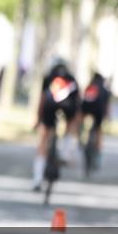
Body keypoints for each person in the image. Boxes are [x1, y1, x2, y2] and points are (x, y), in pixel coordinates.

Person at [32, 57, 81, 191]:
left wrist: (37, 119)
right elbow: (77, 102)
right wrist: (76, 124)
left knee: (43, 140)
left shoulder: (48, 77)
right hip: (68, 106)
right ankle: (65, 151)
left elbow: (42, 99)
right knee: (71, 123)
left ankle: (37, 179)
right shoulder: (71, 78)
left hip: (49, 107)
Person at [79, 71, 111, 155]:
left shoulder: (90, 86)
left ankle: (81, 133)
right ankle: (98, 148)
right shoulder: (104, 89)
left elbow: (83, 100)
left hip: (86, 108)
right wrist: (107, 116)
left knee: (81, 121)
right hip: (99, 110)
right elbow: (106, 105)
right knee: (98, 129)